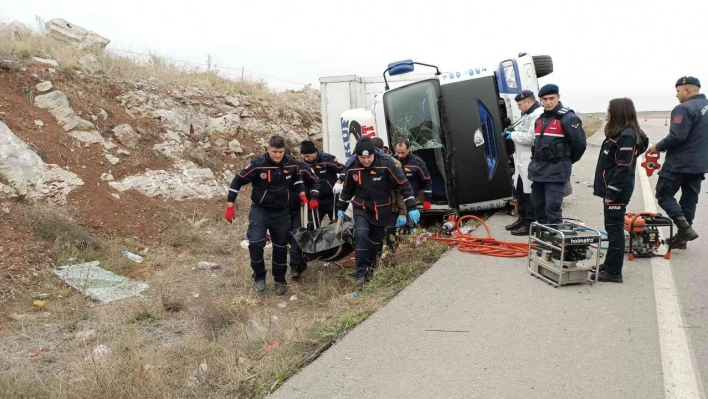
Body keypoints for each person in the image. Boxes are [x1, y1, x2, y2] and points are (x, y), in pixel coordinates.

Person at [225, 135, 307, 295]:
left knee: (281, 247)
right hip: (260, 210)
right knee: (255, 243)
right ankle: (259, 276)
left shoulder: (291, 164)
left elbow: (297, 179)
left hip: (282, 212)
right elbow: (237, 181)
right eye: (274, 151)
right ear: (267, 149)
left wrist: (302, 193)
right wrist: (230, 205)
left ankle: (280, 280)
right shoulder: (257, 165)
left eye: (281, 152)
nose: (278, 155)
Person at [336, 137, 420, 285]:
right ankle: (361, 273)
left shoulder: (387, 163)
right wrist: (341, 208)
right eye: (362, 158)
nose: (366, 161)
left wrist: (411, 207)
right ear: (358, 156)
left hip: (381, 209)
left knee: (375, 244)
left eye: (369, 157)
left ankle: (371, 267)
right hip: (361, 207)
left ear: (374, 153)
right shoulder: (353, 166)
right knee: (361, 236)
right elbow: (348, 190)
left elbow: (403, 185)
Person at [648, 76, 708, 249]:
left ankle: (684, 229)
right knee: (689, 200)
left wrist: (657, 147)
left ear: (687, 90)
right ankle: (682, 239)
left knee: (664, 195)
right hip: (699, 164)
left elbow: (677, 136)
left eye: (678, 91)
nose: (677, 95)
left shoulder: (684, 108)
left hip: (679, 163)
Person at [593, 98, 647, 283]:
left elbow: (623, 167)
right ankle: (610, 264)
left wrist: (611, 193)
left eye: (609, 110)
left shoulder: (627, 136)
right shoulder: (620, 134)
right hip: (612, 190)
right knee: (611, 228)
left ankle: (614, 272)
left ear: (619, 112)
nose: (607, 113)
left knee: (615, 230)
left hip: (616, 192)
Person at [528, 84, 587, 225]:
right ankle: (543, 240)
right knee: (538, 207)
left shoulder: (568, 118)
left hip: (556, 171)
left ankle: (555, 243)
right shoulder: (540, 119)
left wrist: (565, 160)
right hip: (539, 171)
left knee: (552, 209)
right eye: (544, 99)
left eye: (551, 98)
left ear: (558, 97)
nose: (548, 102)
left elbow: (580, 145)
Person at [503, 90, 543, 235]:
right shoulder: (527, 115)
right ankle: (522, 218)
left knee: (528, 194)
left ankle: (530, 223)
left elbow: (532, 138)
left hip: (529, 159)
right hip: (520, 159)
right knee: (519, 191)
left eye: (520, 104)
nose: (519, 107)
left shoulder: (538, 114)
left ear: (528, 102)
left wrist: (513, 134)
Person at [287, 154, 321, 281]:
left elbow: (316, 182)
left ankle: (295, 267)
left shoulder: (303, 168)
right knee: (287, 236)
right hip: (281, 208)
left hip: (299, 207)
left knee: (297, 235)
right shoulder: (274, 168)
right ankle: (299, 261)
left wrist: (313, 197)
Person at [372, 137, 408, 251]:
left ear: (383, 149)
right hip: (374, 208)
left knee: (390, 236)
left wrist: (403, 213)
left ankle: (392, 259)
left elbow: (399, 189)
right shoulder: (367, 163)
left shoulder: (393, 163)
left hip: (391, 207)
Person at [300, 140, 344, 223]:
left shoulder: (328, 159)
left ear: (314, 153)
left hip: (331, 199)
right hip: (315, 200)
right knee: (311, 228)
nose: (305, 158)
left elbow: (345, 170)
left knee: (339, 225)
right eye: (303, 156)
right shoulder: (304, 165)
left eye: (307, 156)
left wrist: (339, 181)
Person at [394, 138, 433, 211]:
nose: (400, 155)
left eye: (402, 152)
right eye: (398, 152)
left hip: (411, 199)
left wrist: (427, 201)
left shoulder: (417, 163)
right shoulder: (393, 161)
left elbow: (427, 181)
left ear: (409, 149)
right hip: (397, 200)